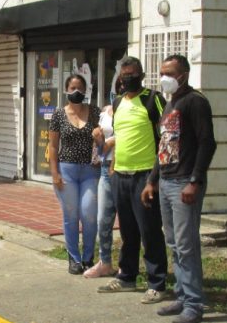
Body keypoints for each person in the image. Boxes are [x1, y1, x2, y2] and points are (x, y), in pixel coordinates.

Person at [142, 54, 216, 323]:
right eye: (162, 72)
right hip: (166, 181)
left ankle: (194, 304)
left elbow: (207, 143)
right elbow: (164, 146)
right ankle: (182, 296)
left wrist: (195, 181)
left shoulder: (195, 102)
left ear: (183, 75)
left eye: (170, 73)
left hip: (184, 182)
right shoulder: (170, 104)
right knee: (174, 243)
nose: (164, 78)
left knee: (186, 246)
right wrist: (152, 180)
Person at [97, 56, 170, 305]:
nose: (127, 79)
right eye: (124, 74)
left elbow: (165, 139)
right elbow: (121, 136)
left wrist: (155, 178)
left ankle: (157, 283)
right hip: (121, 175)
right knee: (127, 231)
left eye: (132, 75)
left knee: (150, 231)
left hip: (145, 175)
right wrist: (114, 165)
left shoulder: (153, 99)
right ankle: (127, 276)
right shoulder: (118, 102)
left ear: (141, 75)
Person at [48, 74, 102, 274]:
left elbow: (104, 139)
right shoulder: (58, 114)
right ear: (66, 90)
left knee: (88, 214)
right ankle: (74, 258)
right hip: (67, 170)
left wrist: (100, 137)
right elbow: (53, 146)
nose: (76, 91)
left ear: (86, 90)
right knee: (70, 215)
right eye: (72, 88)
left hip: (90, 171)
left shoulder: (95, 111)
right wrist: (54, 173)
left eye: (80, 87)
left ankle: (88, 257)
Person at [84, 88, 118, 278]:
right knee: (103, 219)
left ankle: (128, 266)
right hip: (106, 168)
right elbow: (101, 147)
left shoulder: (134, 110)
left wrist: (110, 142)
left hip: (124, 168)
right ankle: (105, 262)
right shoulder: (105, 111)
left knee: (129, 223)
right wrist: (99, 139)